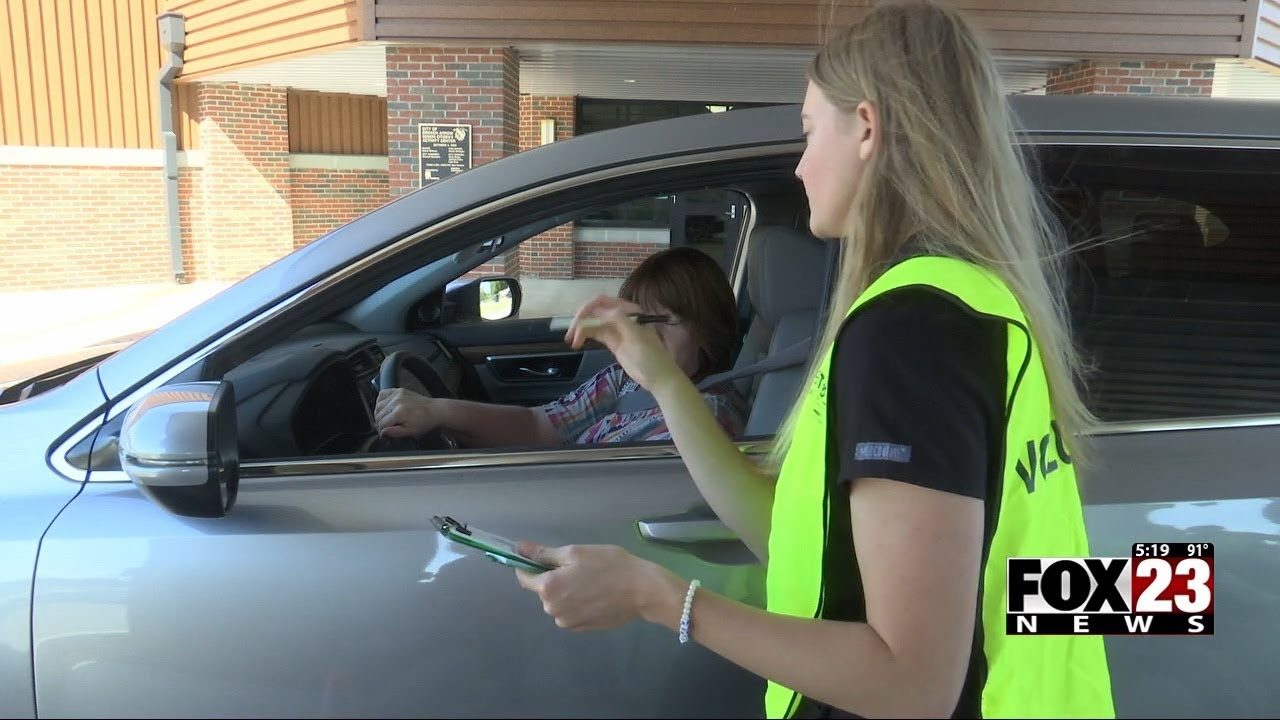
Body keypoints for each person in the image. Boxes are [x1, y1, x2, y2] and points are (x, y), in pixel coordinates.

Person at [508, 2, 1116, 718]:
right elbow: (794, 541)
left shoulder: (911, 331)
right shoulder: (971, 301)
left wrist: (656, 596)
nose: (798, 167)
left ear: (866, 127)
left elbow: (911, 684)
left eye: (806, 131)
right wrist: (666, 383)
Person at [373, 246, 748, 448]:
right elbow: (540, 426)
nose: (649, 338)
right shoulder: (624, 380)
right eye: (639, 321)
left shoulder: (707, 419)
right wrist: (438, 410)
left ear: (708, 329)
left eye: (668, 321)